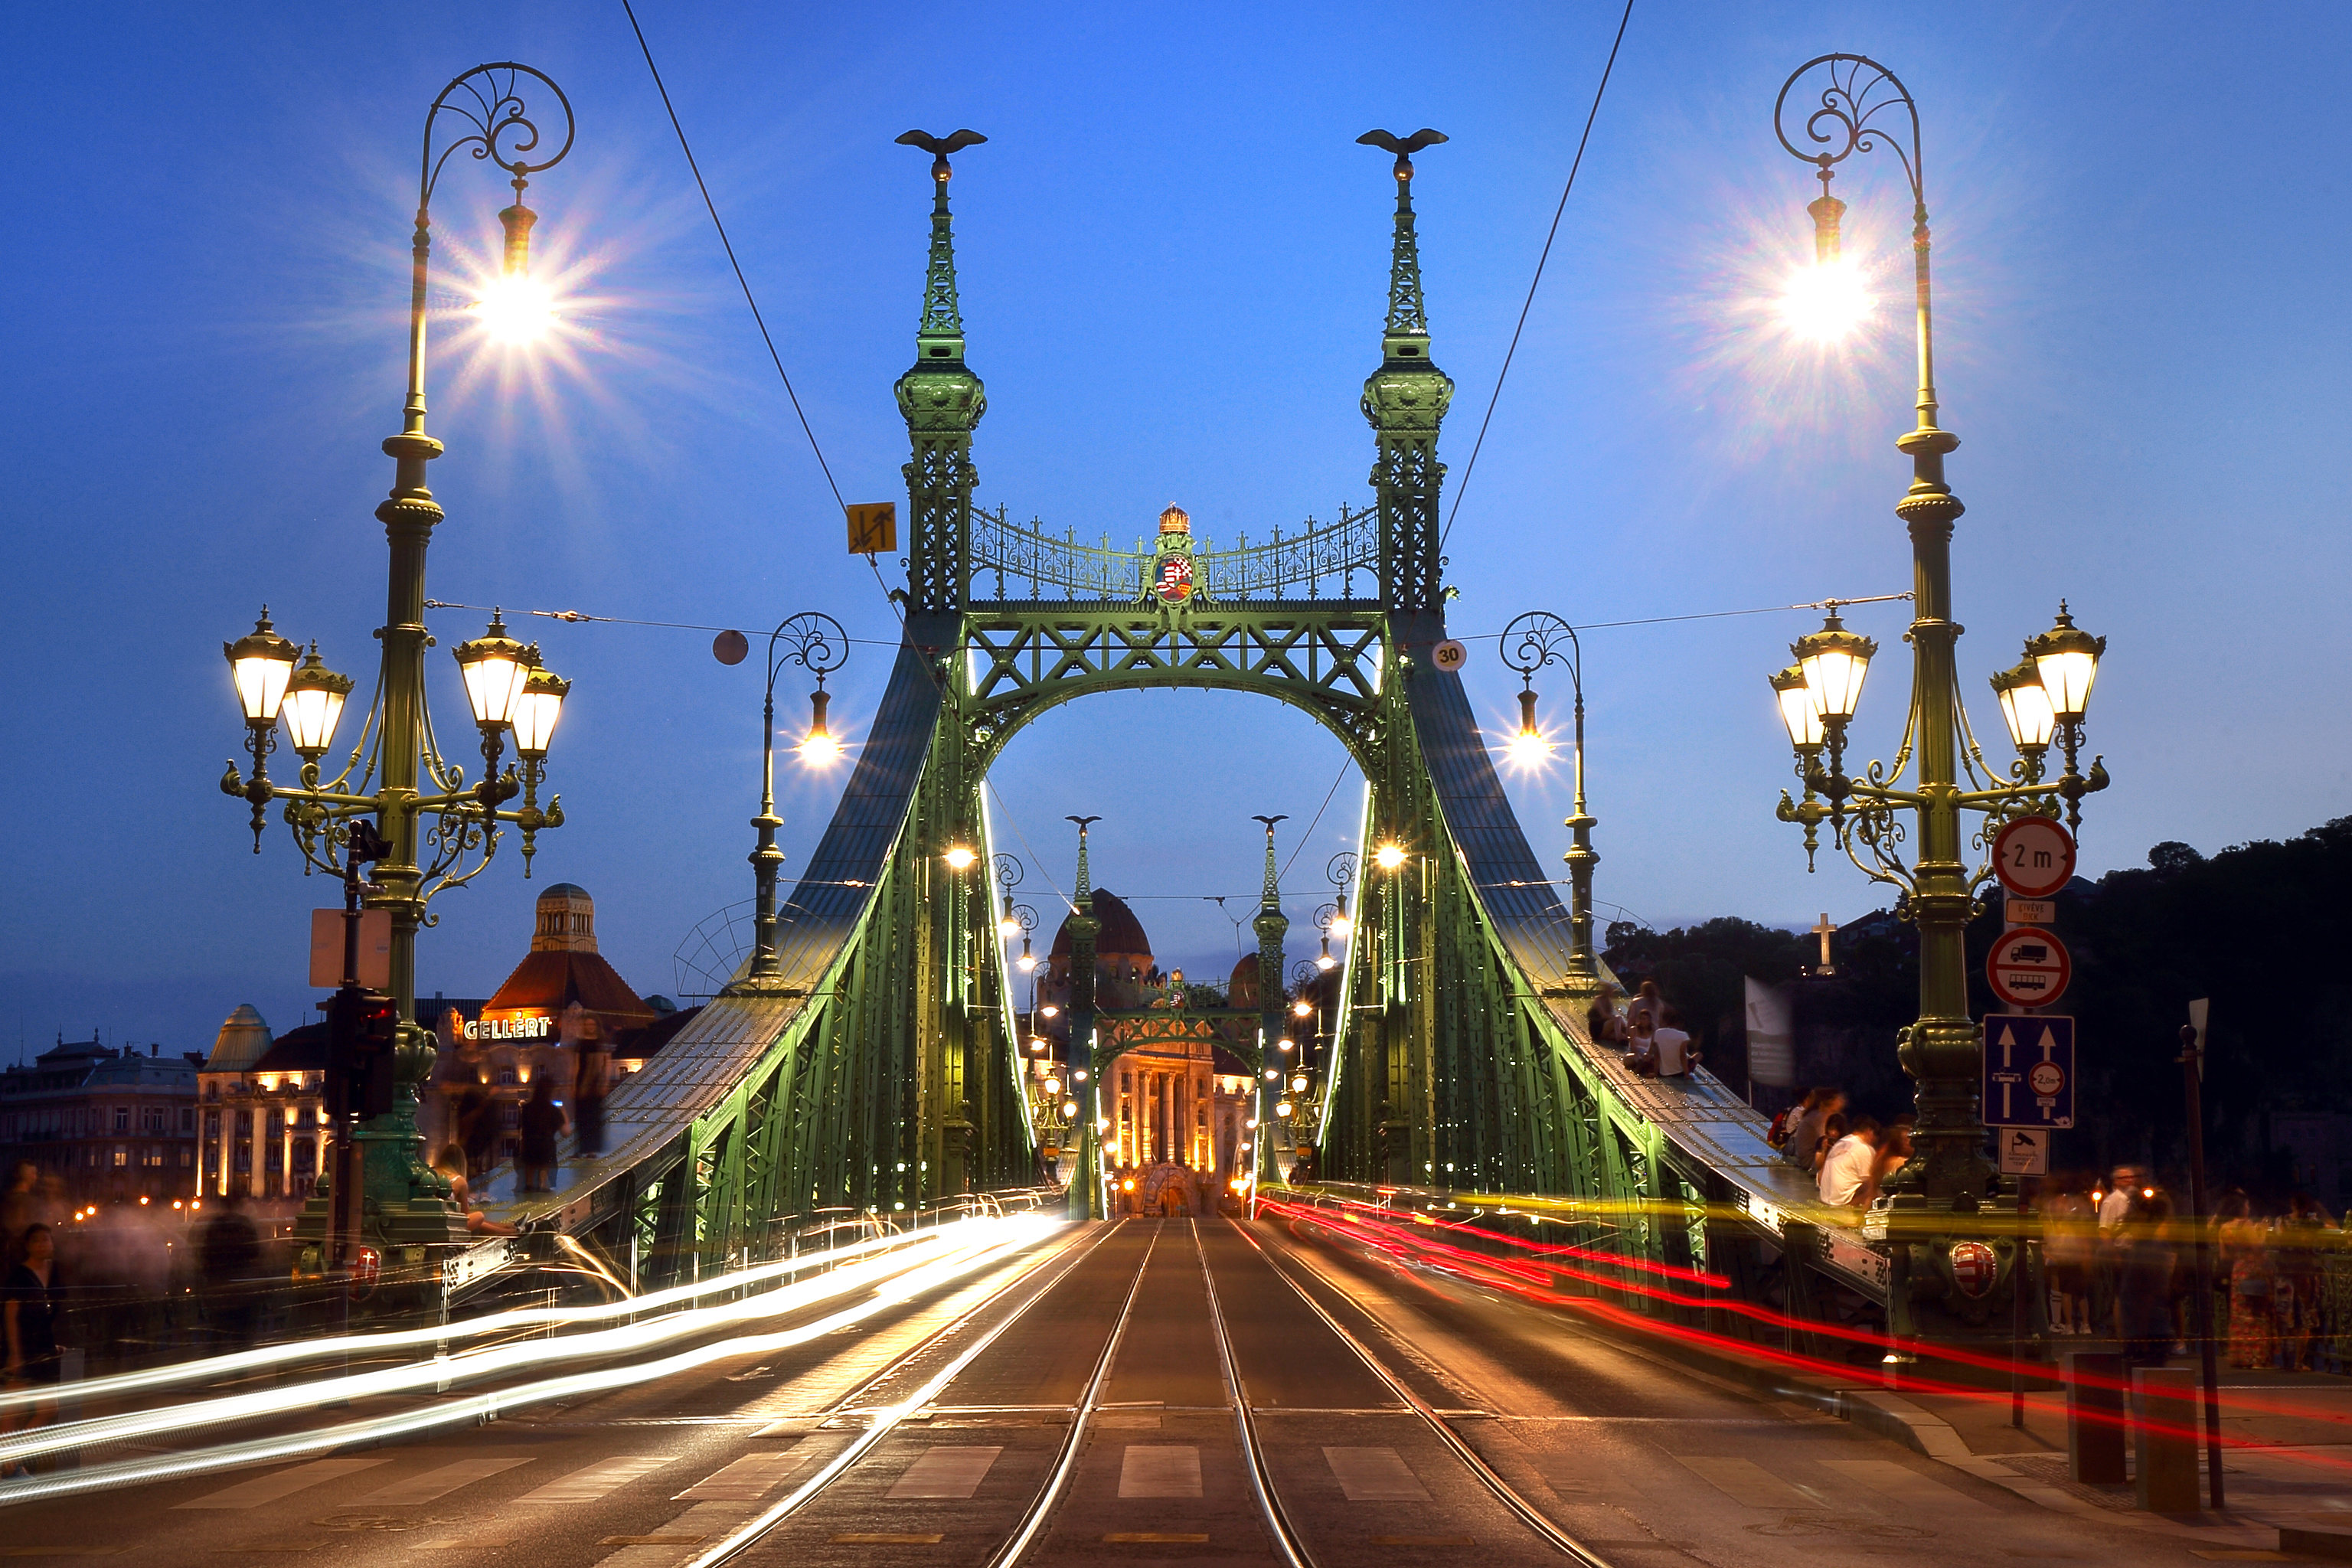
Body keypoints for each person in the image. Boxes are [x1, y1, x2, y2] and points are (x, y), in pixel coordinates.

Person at [1, 1223, 63, 1470]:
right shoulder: (21, 1276)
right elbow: (11, 1315)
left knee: (49, 1408)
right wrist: (15, 1353)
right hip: (22, 1350)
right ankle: (11, 1466)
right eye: (36, 1241)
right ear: (27, 1246)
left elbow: (50, 1314)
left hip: (44, 1350)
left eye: (46, 1240)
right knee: (11, 1413)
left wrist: (53, 1343)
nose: (42, 1245)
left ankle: (13, 1458)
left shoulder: (53, 1271)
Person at [2115, 1187, 2178, 1367]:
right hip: (2145, 1331)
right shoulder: (2146, 1248)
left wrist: (2140, 1336)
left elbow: (2148, 1293)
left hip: (2147, 1333)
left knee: (2146, 1381)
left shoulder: (2149, 1249)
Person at [2216, 1190, 2274, 1369]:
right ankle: (2256, 1358)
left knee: (2240, 1314)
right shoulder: (2246, 1226)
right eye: (2247, 1205)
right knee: (2257, 1314)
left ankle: (2240, 1356)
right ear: (2241, 1208)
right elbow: (2258, 1247)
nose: (2249, 1208)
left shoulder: (2224, 1228)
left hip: (2238, 1270)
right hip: (2253, 1270)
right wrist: (2262, 1230)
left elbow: (2224, 1255)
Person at [196, 1198, 263, 1351]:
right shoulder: (245, 1225)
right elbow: (255, 1251)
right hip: (243, 1289)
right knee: (242, 1339)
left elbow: (205, 1253)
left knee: (217, 1336)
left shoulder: (214, 1226)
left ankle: (215, 1368)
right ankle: (239, 1372)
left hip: (219, 1289)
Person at [2043, 1178, 2098, 1335]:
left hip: (2065, 1254)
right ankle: (2078, 1324)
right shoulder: (2075, 1207)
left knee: (2068, 1291)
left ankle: (2067, 1324)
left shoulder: (2052, 1208)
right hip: (2071, 1255)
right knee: (2075, 1292)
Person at [432, 1145, 519, 1238]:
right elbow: (465, 1214)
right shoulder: (459, 1180)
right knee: (479, 1217)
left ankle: (507, 1226)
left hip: (432, 1222)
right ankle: (507, 1232)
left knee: (475, 1218)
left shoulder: (432, 1173)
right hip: (447, 1225)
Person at [516, 1076, 567, 1194]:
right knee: (544, 1167)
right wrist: (563, 1112)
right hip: (546, 1147)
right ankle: (543, 1183)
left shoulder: (527, 1108)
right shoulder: (553, 1111)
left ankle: (529, 1187)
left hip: (529, 1146)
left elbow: (521, 1129)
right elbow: (566, 1132)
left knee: (529, 1176)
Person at [1817, 1116, 1882, 1207]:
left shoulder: (1842, 1142)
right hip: (1842, 1202)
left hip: (1825, 1198)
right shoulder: (1864, 1148)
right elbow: (1870, 1181)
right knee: (1872, 1183)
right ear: (1869, 1132)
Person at [1785, 1089, 1844, 1171]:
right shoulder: (1819, 1117)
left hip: (1808, 1158)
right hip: (1811, 1161)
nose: (1841, 1101)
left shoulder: (1816, 1114)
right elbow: (1826, 1141)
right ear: (1829, 1101)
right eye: (1838, 1099)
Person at [1866, 1117, 1915, 1207]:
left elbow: (1871, 1194)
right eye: (1907, 1139)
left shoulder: (1881, 1159)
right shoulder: (1902, 1163)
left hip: (1878, 1207)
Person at [573, 1046, 609, 1159]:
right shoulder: (584, 1045)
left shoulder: (597, 1047)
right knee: (584, 1120)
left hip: (592, 1088)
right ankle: (585, 1150)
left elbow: (603, 1066)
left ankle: (589, 1150)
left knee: (589, 1119)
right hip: (586, 1087)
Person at [455, 1083, 496, 1179]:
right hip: (478, 1144)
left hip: (472, 1145)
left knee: (471, 1168)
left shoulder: (469, 1116)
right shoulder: (482, 1116)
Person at [1651, 1012, 1695, 1078]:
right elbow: (1682, 1055)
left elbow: (1657, 1054)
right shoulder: (1683, 1035)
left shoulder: (1658, 1032)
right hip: (1679, 1073)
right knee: (1698, 1055)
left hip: (1663, 1073)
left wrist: (1655, 1073)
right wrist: (1687, 1074)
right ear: (1681, 1024)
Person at [1585, 985, 1627, 1050]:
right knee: (1618, 1018)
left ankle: (1622, 1036)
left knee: (1623, 1034)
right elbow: (1604, 1015)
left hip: (1604, 1030)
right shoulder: (1598, 1000)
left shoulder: (1608, 1001)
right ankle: (1619, 1038)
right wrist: (1616, 1019)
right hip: (1598, 1029)